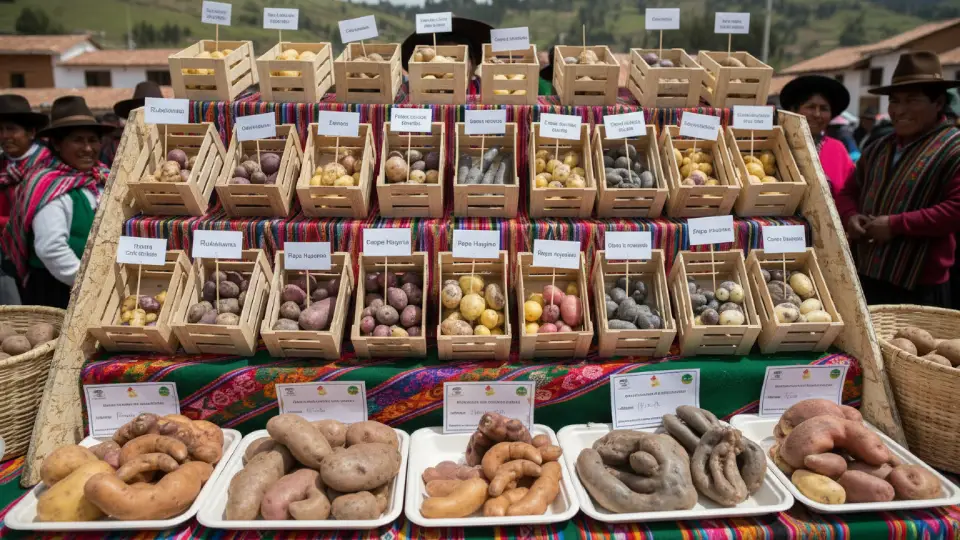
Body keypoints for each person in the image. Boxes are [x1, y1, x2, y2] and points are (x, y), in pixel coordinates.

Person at [835, 51, 960, 308]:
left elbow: (955, 210)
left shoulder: (953, 149)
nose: (899, 110)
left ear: (938, 103)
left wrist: (896, 225)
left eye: (912, 100)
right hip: (867, 275)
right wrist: (850, 216)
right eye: (894, 101)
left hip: (920, 285)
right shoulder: (879, 147)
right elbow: (849, 191)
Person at [0, 96, 112, 308]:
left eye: (93, 140)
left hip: (97, 284)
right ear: (58, 144)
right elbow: (51, 248)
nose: (88, 148)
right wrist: (88, 283)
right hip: (60, 289)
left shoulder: (102, 178)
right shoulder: (49, 186)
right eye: (78, 140)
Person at [779, 75, 855, 199]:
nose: (817, 114)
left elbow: (849, 195)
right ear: (793, 110)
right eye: (811, 107)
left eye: (824, 109)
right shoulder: (777, 143)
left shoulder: (837, 149)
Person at [400, 18, 493, 95]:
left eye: (455, 57)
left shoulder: (484, 89)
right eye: (443, 57)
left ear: (472, 63)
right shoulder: (411, 90)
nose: (449, 64)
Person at [0, 94, 53, 227]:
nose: (4, 136)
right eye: (0, 129)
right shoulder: (2, 165)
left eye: (11, 129)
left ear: (31, 132)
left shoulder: (50, 166)